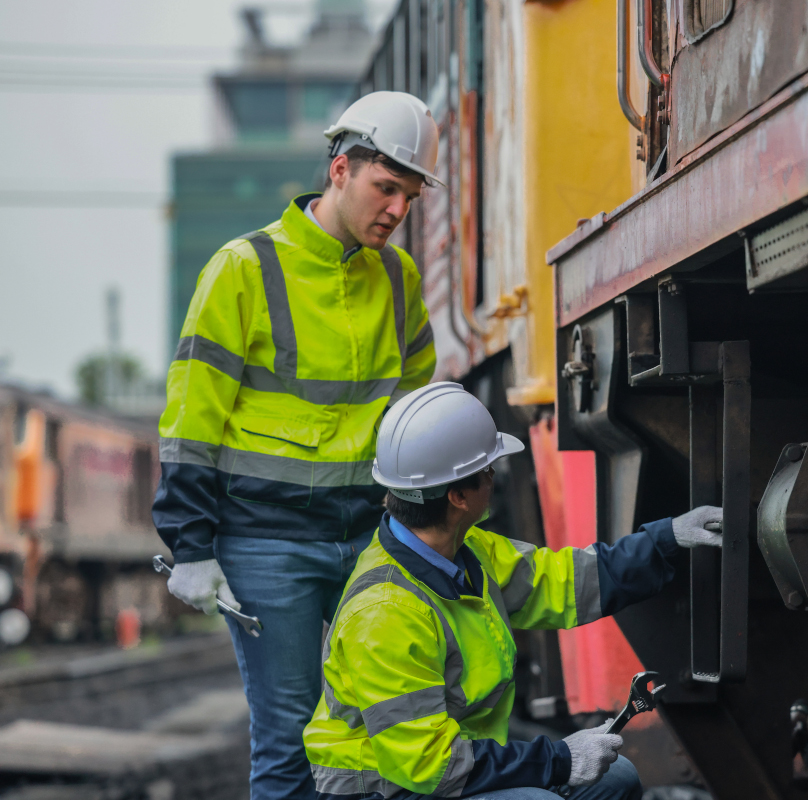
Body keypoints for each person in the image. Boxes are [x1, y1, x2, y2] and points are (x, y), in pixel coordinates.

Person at [152, 91, 444, 800]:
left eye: (409, 196)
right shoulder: (242, 269)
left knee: (385, 731)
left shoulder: (401, 283)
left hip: (368, 539)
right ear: (340, 170)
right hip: (265, 545)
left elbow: (413, 418)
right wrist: (190, 545)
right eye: (385, 188)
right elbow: (193, 417)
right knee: (287, 741)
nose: (397, 211)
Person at [303, 382, 724, 800]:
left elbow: (565, 582)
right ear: (458, 496)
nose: (494, 477)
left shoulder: (465, 551)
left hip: (452, 765)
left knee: (617, 779)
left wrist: (667, 539)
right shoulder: (384, 615)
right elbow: (430, 765)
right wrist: (560, 759)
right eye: (489, 471)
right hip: (386, 788)